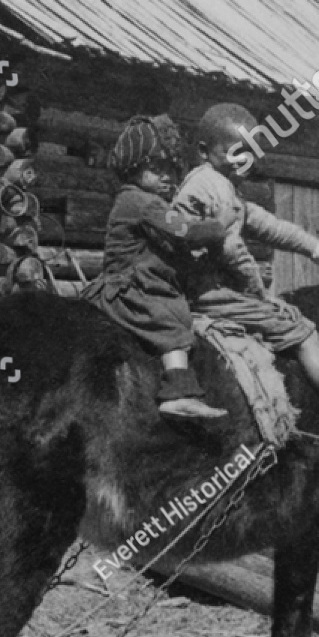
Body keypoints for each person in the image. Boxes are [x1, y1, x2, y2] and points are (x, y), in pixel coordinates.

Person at [168, 102, 319, 449]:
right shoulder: (213, 187)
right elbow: (232, 252)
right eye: (236, 152)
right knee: (303, 332)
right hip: (209, 293)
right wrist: (258, 294)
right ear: (204, 151)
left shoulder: (218, 185)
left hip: (210, 290)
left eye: (251, 154)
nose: (245, 161)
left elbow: (273, 228)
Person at [94, 115, 230, 420]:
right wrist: (217, 226)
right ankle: (178, 391)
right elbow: (184, 230)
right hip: (129, 288)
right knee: (169, 321)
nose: (166, 177)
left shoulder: (141, 201)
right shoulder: (142, 202)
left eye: (171, 170)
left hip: (135, 282)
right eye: (156, 170)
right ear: (133, 168)